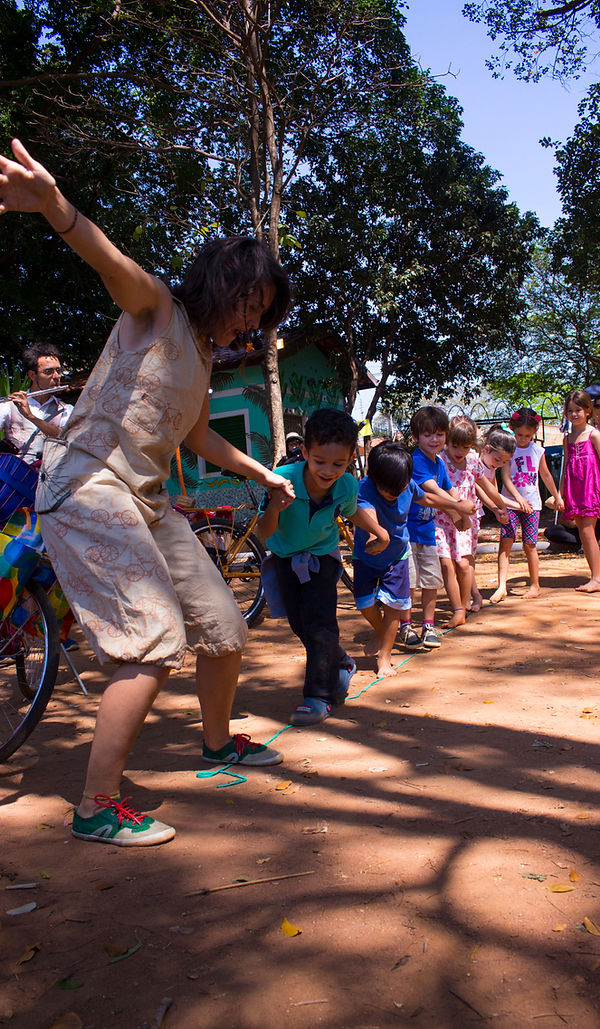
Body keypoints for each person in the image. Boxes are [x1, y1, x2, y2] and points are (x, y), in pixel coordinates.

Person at [0, 137, 296, 847]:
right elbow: (110, 261)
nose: (251, 322)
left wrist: (260, 472)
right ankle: (97, 806)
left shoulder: (203, 358)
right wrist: (55, 205)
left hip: (146, 498)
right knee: (153, 638)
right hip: (87, 486)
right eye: (249, 304)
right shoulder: (157, 308)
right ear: (222, 284)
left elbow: (196, 434)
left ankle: (218, 743)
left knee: (223, 625)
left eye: (262, 314)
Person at [256, 408, 389, 725]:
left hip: (322, 557)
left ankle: (319, 696)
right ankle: (340, 661)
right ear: (304, 452)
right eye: (319, 461)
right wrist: (275, 507)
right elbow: (264, 532)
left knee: (320, 624)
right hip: (285, 558)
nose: (328, 471)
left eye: (338, 464)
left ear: (351, 459)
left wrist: (379, 532)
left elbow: (351, 511)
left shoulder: (346, 485)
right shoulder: (282, 478)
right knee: (300, 625)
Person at [352, 440, 461, 677]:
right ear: (374, 478)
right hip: (366, 557)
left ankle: (384, 658)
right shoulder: (364, 488)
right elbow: (367, 514)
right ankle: (381, 631)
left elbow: (427, 499)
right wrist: (376, 536)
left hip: (397, 557)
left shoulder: (407, 485)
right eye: (388, 490)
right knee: (364, 604)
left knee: (394, 607)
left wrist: (457, 505)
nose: (395, 494)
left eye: (399, 488)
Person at [406, 406, 477, 648]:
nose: (434, 439)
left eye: (439, 434)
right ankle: (406, 625)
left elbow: (449, 488)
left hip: (427, 530)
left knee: (431, 580)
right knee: (410, 582)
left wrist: (461, 513)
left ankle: (428, 625)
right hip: (407, 532)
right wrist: (458, 506)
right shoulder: (416, 460)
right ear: (415, 437)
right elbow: (432, 490)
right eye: (428, 435)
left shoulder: (439, 463)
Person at [434, 416, 509, 627]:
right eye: (455, 446)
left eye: (465, 447)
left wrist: (501, 507)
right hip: (442, 519)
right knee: (447, 564)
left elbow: (487, 487)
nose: (460, 451)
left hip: (466, 521)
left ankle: (465, 600)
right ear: (447, 441)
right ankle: (458, 609)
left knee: (464, 564)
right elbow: (436, 493)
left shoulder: (473, 462)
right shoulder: (440, 461)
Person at [490, 407, 564, 604]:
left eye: (527, 436)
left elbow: (545, 475)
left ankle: (534, 584)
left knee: (530, 544)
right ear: (513, 429)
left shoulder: (537, 450)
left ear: (534, 433)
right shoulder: (508, 449)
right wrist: (517, 499)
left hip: (532, 505)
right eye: (519, 434)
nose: (522, 439)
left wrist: (557, 496)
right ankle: (501, 585)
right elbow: (506, 477)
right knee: (506, 541)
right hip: (510, 504)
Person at [470, 423, 519, 610]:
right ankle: (470, 593)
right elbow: (481, 489)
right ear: (487, 449)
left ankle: (471, 592)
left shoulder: (491, 467)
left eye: (504, 463)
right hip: (464, 511)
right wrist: (507, 506)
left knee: (470, 553)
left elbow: (493, 491)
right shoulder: (473, 461)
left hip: (476, 513)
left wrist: (500, 509)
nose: (499, 465)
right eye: (498, 460)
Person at [0, 343, 73, 463]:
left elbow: (66, 438)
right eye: (48, 371)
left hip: (53, 473)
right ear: (32, 375)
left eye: (58, 371)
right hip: (16, 473)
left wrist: (30, 416)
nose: (56, 376)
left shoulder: (66, 410)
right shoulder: (9, 406)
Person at [559, 389, 600, 592]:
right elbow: (566, 466)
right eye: (570, 411)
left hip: (590, 489)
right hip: (574, 489)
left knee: (587, 531)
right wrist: (560, 493)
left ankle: (597, 579)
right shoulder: (567, 439)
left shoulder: (594, 435)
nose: (574, 414)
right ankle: (595, 576)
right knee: (584, 533)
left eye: (578, 410)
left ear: (588, 411)